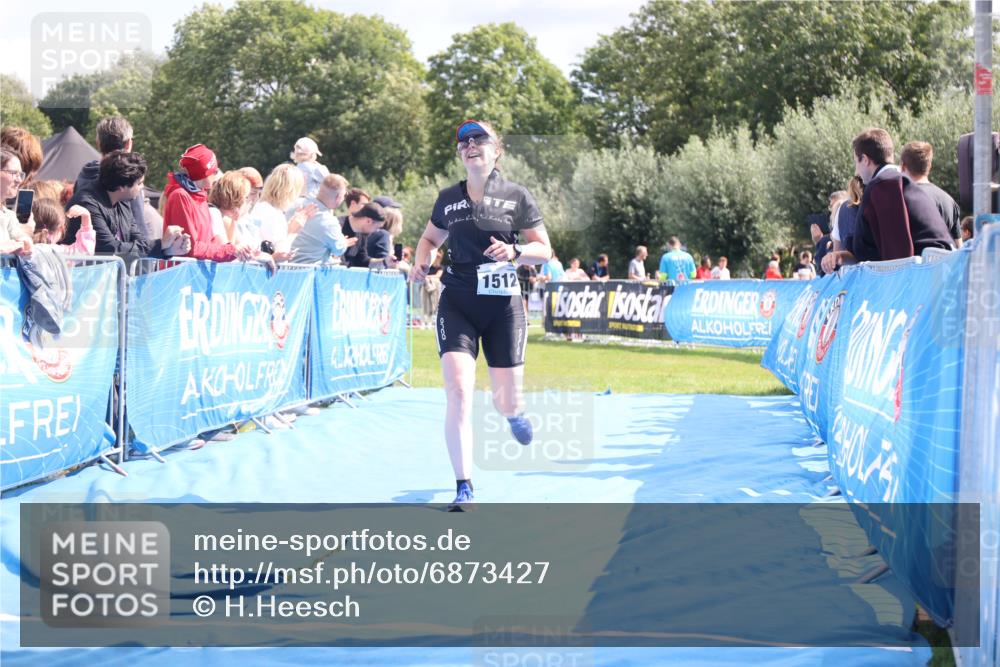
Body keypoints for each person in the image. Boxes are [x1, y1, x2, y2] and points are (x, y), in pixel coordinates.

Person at [410, 119, 552, 511]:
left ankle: (514, 413)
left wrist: (516, 252)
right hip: (458, 301)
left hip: (503, 306)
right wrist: (423, 260)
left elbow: (545, 250)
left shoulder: (516, 195)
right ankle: (464, 485)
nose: (470, 145)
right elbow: (429, 238)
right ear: (460, 153)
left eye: (479, 139)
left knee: (505, 399)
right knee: (457, 390)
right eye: (463, 142)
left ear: (497, 149)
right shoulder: (447, 198)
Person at [838, 128, 952, 266]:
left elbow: (898, 254)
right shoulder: (900, 182)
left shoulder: (885, 185)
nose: (856, 170)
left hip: (926, 276)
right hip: (936, 270)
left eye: (857, 162)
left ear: (865, 160)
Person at [67, 150, 189, 263]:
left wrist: (169, 249)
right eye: (139, 183)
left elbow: (137, 239)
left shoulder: (123, 200)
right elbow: (110, 248)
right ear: (122, 187)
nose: (142, 188)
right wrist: (161, 244)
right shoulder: (87, 203)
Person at [163, 144, 245, 262]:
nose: (217, 175)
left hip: (195, 274)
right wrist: (229, 251)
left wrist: (233, 249)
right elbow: (191, 247)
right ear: (204, 174)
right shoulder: (180, 196)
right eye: (214, 171)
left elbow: (209, 241)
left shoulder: (200, 196)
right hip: (181, 274)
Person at [72, 116, 149, 241]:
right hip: (121, 254)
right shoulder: (129, 180)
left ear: (98, 142)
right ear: (129, 143)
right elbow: (138, 224)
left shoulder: (84, 177)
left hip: (88, 253)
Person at [900, 141, 961, 246]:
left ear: (903, 167)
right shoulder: (949, 201)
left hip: (915, 261)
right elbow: (959, 248)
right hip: (944, 261)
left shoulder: (901, 199)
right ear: (929, 166)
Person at [290, 173, 355, 264]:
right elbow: (338, 250)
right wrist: (344, 242)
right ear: (338, 197)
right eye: (345, 195)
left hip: (279, 269)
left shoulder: (295, 203)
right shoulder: (329, 222)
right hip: (305, 274)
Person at [0, 148, 33, 255]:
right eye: (13, 173)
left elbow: (19, 236)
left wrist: (25, 240)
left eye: (20, 174)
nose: (19, 180)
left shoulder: (8, 215)